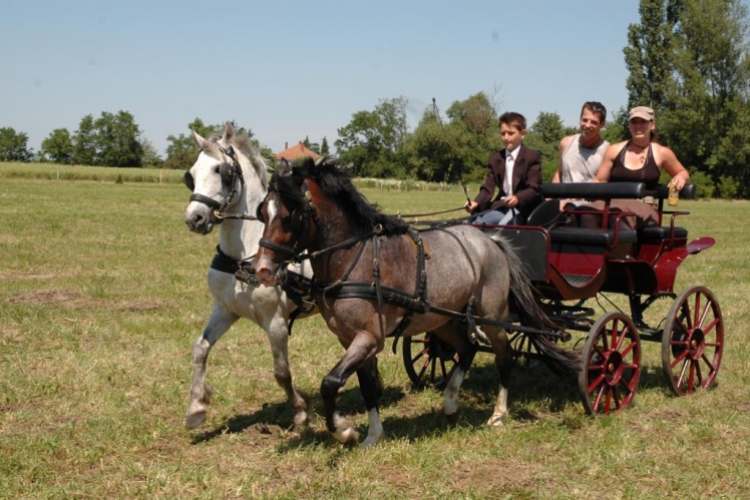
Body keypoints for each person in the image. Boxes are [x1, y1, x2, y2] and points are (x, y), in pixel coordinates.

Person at [588, 106, 689, 229]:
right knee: (585, 214)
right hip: (613, 203)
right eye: (634, 122)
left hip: (644, 206)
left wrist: (681, 176)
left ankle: (619, 247)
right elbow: (600, 180)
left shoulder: (662, 152)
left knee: (619, 217)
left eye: (643, 122)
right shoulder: (614, 150)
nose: (638, 126)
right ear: (629, 125)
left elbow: (682, 172)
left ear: (652, 125)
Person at [465, 111, 542, 225]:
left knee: (497, 225)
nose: (506, 138)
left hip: (523, 209)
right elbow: (488, 188)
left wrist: (517, 198)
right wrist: (476, 202)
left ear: (523, 134)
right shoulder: (495, 158)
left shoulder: (532, 157)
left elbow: (534, 189)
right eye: (503, 133)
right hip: (501, 207)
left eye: (511, 133)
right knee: (472, 222)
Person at [553, 101, 609, 184]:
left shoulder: (607, 151)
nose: (587, 125)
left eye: (593, 122)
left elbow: (603, 185)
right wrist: (551, 196)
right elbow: (559, 173)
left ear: (602, 125)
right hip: (564, 196)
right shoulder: (566, 143)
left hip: (590, 196)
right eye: (584, 120)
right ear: (580, 120)